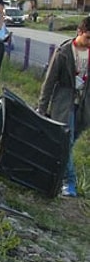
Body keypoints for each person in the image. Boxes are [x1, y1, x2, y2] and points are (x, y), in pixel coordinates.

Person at [37, 16, 90, 197]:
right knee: (65, 143)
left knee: (66, 145)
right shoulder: (64, 52)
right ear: (79, 32)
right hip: (64, 104)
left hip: (84, 107)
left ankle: (51, 174)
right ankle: (69, 182)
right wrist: (42, 108)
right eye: (88, 37)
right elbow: (49, 81)